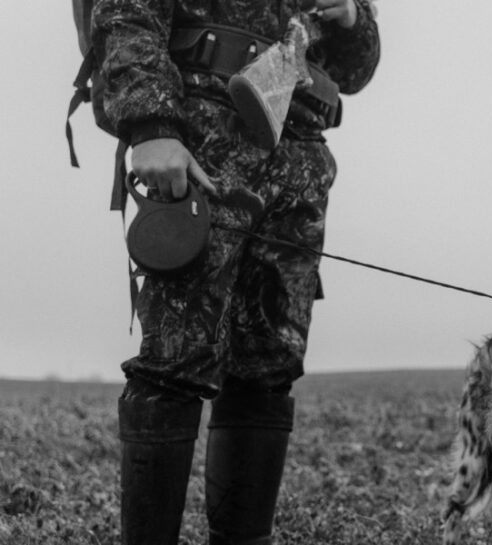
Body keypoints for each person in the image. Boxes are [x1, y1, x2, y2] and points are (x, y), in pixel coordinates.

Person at [90, 0, 380, 543]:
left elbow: (356, 72)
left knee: (268, 367)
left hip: (300, 154)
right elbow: (127, 11)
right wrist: (151, 123)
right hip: (203, 136)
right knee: (173, 364)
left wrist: (353, 19)